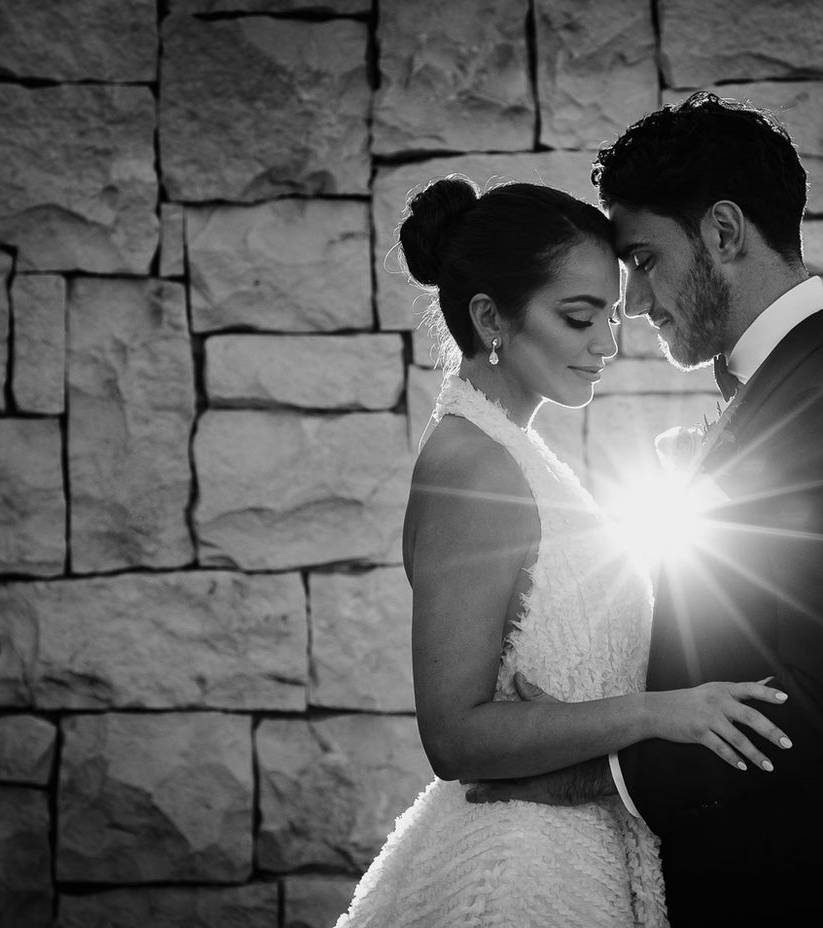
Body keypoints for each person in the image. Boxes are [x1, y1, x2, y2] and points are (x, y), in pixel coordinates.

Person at [466, 93, 823, 925]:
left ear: (723, 233)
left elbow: (822, 699)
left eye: (644, 260)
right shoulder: (794, 386)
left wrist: (589, 770)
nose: (636, 303)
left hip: (802, 893)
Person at [332, 176, 794, 928]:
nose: (609, 342)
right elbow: (454, 735)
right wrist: (657, 714)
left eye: (610, 314)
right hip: (518, 876)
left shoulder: (516, 451)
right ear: (491, 318)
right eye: (579, 318)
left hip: (581, 858)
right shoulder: (472, 465)